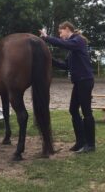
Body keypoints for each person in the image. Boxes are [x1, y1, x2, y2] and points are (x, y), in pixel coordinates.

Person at [40, 21, 95, 153]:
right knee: (73, 110)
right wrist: (49, 59)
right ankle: (80, 141)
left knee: (86, 112)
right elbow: (65, 65)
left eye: (60, 32)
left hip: (85, 81)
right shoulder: (73, 49)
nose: (60, 35)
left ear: (67, 29)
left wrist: (47, 38)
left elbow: (63, 44)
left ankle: (91, 144)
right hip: (78, 82)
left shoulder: (78, 41)